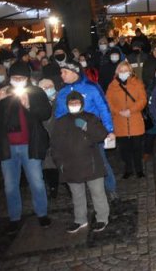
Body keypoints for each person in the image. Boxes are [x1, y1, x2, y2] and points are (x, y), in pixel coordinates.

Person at [0, 61, 52, 234]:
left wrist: (29, 104)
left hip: (30, 144)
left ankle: (42, 213)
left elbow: (46, 113)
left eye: (21, 78)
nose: (18, 81)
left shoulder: (35, 92)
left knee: (36, 181)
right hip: (8, 147)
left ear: (27, 79)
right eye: (14, 78)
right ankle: (14, 217)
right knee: (10, 185)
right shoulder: (4, 93)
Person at [56, 60, 119, 202]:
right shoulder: (63, 92)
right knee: (77, 163)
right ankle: (85, 194)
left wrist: (109, 130)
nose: (62, 75)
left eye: (64, 72)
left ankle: (111, 188)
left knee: (101, 162)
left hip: (92, 134)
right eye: (61, 72)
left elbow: (104, 108)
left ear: (74, 72)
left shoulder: (91, 87)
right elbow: (59, 115)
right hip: (73, 137)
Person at [50, 91, 110, 233]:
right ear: (67, 105)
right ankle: (80, 219)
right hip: (71, 166)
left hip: (92, 164)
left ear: (82, 104)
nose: (74, 105)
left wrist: (86, 127)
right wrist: (60, 164)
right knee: (77, 195)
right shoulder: (61, 122)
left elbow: (101, 135)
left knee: (98, 193)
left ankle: (102, 218)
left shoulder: (90, 118)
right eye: (72, 103)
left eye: (77, 103)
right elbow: (55, 145)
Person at [106, 61, 148, 179]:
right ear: (117, 72)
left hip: (134, 119)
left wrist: (131, 110)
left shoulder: (137, 83)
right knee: (124, 149)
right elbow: (108, 102)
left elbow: (142, 100)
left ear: (130, 71)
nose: (123, 73)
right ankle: (128, 168)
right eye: (121, 70)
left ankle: (139, 169)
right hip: (119, 121)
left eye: (125, 70)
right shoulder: (112, 86)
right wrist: (117, 111)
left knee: (137, 147)